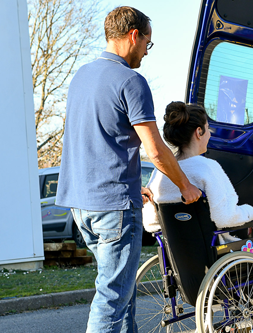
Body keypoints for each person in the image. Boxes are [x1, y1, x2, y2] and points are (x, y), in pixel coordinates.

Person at [55, 7, 201, 333]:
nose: (146, 53)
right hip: (114, 208)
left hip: (82, 204)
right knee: (112, 297)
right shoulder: (131, 81)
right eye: (148, 44)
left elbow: (94, 140)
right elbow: (156, 150)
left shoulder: (81, 76)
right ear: (134, 35)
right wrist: (186, 186)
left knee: (122, 292)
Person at [142, 102, 253, 333]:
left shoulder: (160, 173)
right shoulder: (207, 168)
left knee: (239, 251)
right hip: (214, 264)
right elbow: (226, 218)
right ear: (198, 132)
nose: (210, 133)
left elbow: (152, 223)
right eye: (208, 128)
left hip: (183, 269)